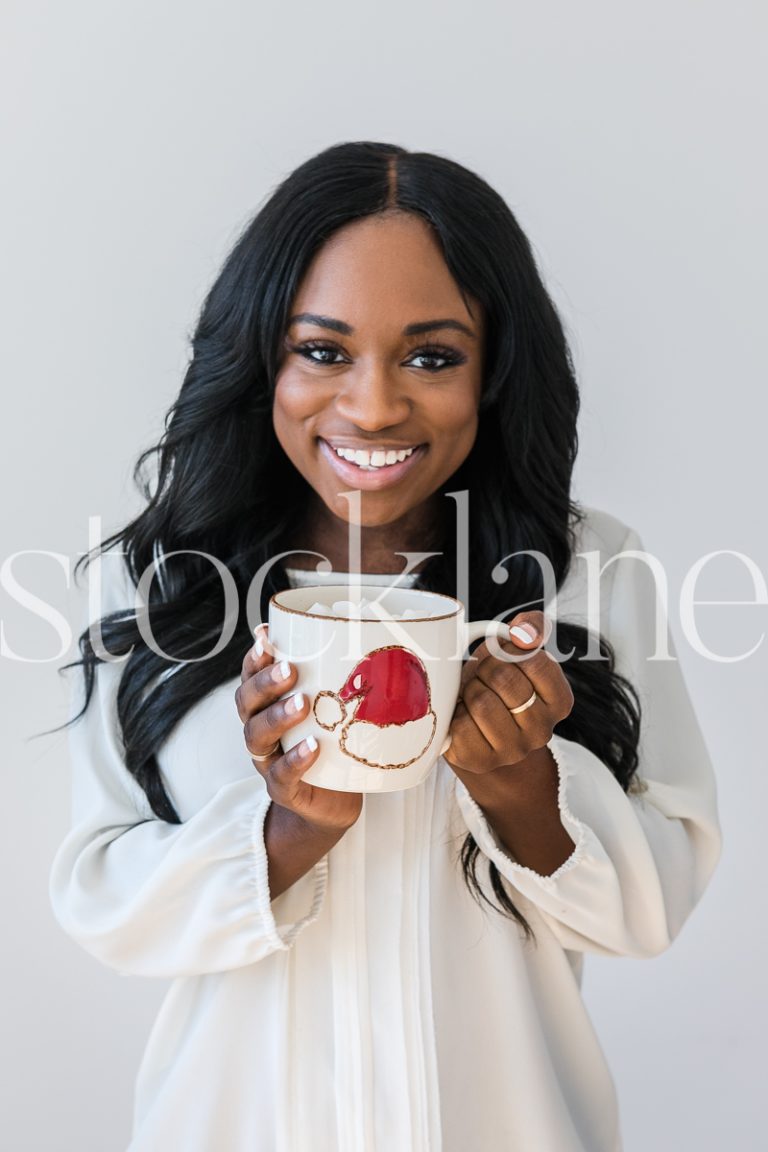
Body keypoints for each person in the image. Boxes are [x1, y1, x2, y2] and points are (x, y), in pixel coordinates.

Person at [49, 140, 722, 1152]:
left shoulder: (589, 573)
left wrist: (522, 791)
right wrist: (285, 840)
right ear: (259, 357)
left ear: (493, 372)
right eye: (322, 351)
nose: (372, 406)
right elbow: (103, 902)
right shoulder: (158, 585)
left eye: (432, 356)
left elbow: (652, 907)